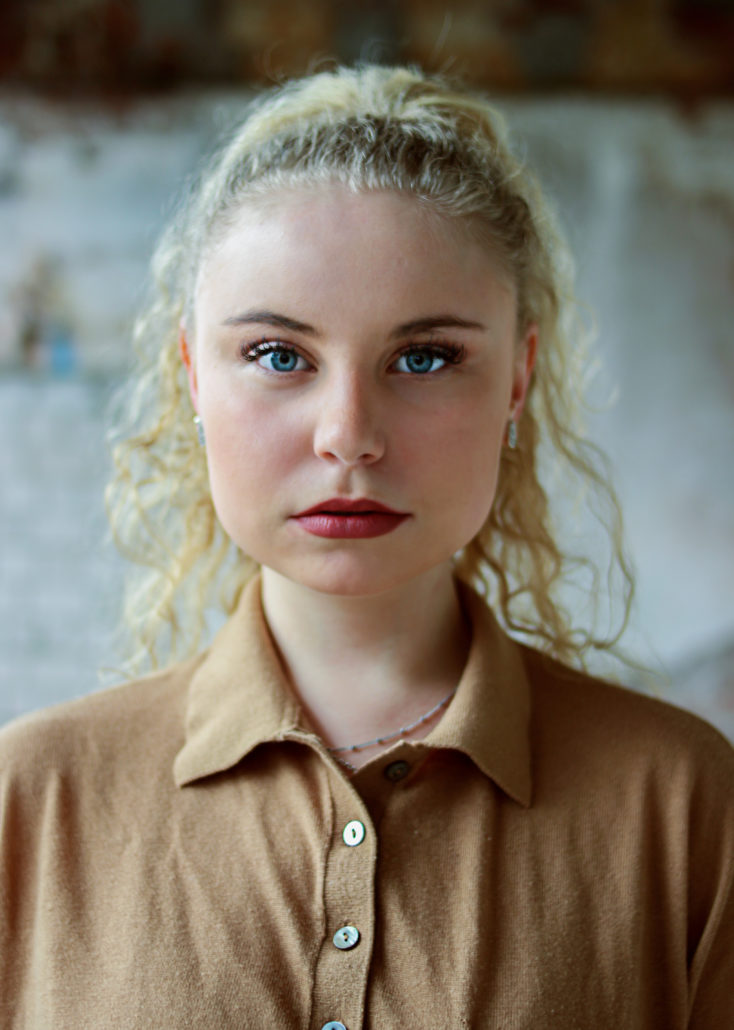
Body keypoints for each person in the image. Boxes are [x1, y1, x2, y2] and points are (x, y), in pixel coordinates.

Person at [1, 63, 732, 1029]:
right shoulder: (32, 802)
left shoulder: (681, 804)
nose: (348, 432)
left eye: (423, 358)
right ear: (190, 375)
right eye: (278, 356)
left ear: (517, 379)